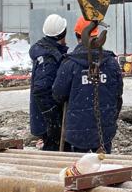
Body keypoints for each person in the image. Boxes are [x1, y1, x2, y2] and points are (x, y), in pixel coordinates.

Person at [52, 17, 123, 153]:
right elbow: (118, 93)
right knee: (104, 164)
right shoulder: (111, 63)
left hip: (77, 130)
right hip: (104, 129)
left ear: (77, 35)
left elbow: (58, 94)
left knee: (81, 168)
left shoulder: (70, 64)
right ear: (96, 34)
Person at [29, 14, 69, 151]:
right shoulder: (49, 58)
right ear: (63, 33)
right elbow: (41, 89)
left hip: (43, 119)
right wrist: (53, 120)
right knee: (55, 152)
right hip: (48, 122)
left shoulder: (44, 51)